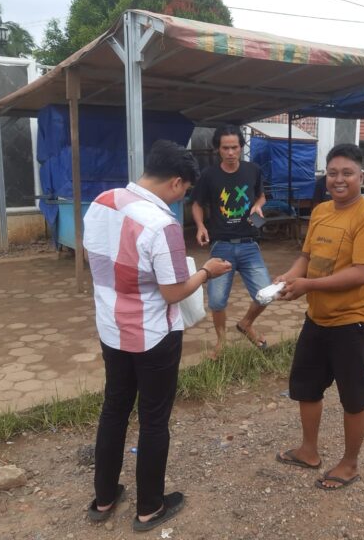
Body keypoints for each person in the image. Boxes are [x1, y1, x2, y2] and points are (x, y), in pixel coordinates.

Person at [83, 140, 231, 532]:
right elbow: (174, 292)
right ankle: (149, 507)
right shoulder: (161, 224)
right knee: (152, 419)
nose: (182, 198)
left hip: (111, 329)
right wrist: (206, 272)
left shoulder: (102, 201)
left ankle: (103, 498)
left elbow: (97, 259)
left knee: (114, 409)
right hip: (152, 336)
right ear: (177, 183)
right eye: (184, 191)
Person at [274, 143, 364, 490]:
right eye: (333, 173)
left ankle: (350, 464)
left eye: (347, 173)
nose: (339, 179)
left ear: (361, 177)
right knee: (306, 388)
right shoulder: (322, 211)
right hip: (318, 318)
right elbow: (306, 256)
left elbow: (362, 273)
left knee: (353, 396)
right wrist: (291, 276)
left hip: (353, 321)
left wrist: (308, 284)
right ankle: (309, 451)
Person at [191, 125, 273, 357]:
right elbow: (196, 203)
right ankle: (221, 341)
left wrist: (258, 205)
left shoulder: (253, 170)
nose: (230, 152)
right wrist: (200, 226)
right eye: (225, 148)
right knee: (217, 301)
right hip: (222, 246)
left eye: (234, 147)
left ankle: (246, 323)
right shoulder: (209, 175)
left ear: (241, 147)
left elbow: (261, 195)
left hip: (249, 243)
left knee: (266, 294)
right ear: (218, 149)